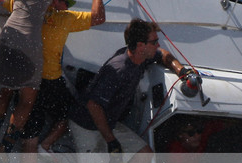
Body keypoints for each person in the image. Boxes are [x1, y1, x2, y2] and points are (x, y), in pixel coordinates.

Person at [0, 0, 108, 146]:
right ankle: (5, 148)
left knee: (5, 90)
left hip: (7, 36)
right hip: (28, 41)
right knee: (27, 100)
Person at [79, 19, 197, 155]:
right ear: (141, 46)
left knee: (145, 154)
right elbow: (93, 105)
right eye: (154, 42)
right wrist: (111, 141)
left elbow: (163, 54)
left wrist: (182, 72)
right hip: (87, 125)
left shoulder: (141, 57)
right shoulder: (119, 69)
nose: (157, 45)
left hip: (110, 123)